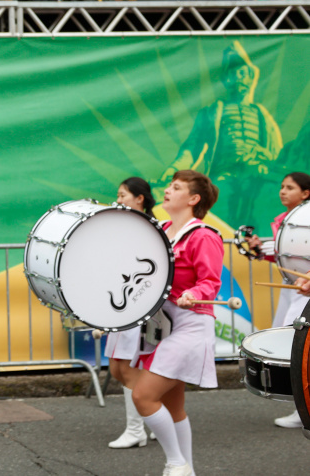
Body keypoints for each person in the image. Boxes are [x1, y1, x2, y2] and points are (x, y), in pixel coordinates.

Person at [132, 170, 222, 476]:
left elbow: (210, 282)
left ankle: (175, 463)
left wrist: (193, 293)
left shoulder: (203, 236)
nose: (167, 191)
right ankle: (188, 471)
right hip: (161, 325)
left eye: (176, 187)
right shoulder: (160, 230)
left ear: (193, 199)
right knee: (174, 407)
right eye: (169, 186)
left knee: (143, 396)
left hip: (191, 322)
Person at [155, 41, 281, 226]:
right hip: (224, 175)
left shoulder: (261, 114)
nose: (238, 77)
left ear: (250, 76)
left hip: (255, 175)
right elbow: (192, 148)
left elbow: (276, 155)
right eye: (233, 72)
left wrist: (261, 157)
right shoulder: (212, 112)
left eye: (242, 72)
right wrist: (173, 169)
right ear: (226, 77)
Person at [245, 172, 310, 429]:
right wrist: (261, 250)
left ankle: (302, 406)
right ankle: (301, 405)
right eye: (281, 187)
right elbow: (287, 253)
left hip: (303, 288)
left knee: (297, 343)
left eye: (290, 187)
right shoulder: (284, 220)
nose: (282, 191)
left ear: (305, 193)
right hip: (294, 285)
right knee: (293, 342)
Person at [105, 178, 156, 450]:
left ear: (140, 198)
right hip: (121, 306)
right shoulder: (123, 226)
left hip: (139, 308)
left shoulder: (150, 229)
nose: (119, 199)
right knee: (118, 368)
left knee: (129, 368)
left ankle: (137, 429)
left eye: (123, 195)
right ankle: (156, 418)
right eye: (118, 194)